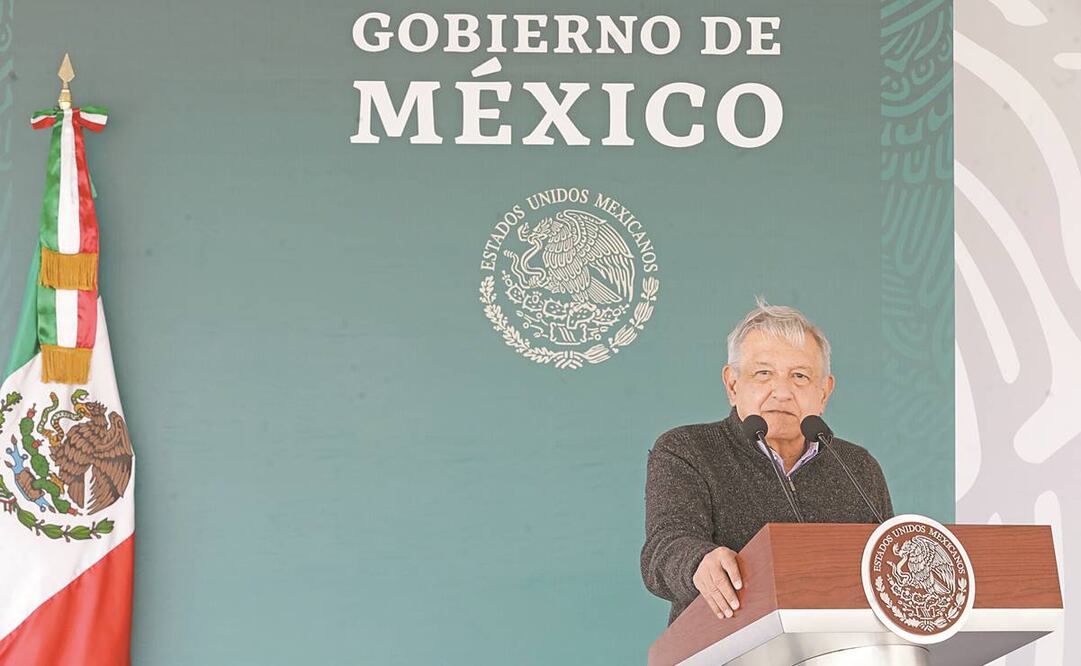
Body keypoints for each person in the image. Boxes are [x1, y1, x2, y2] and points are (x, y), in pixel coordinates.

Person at [640, 299, 893, 625]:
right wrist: (699, 562)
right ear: (733, 385)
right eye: (763, 374)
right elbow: (664, 548)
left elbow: (888, 563)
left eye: (800, 376)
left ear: (824, 392)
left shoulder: (858, 468)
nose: (782, 392)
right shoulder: (687, 450)